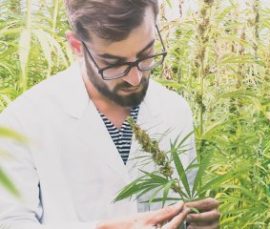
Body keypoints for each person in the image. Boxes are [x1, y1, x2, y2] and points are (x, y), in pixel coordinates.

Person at [0, 0, 220, 228]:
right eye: (114, 64)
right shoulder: (23, 120)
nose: (134, 79)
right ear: (77, 47)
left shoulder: (175, 111)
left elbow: (186, 200)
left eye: (146, 55)